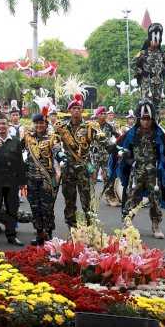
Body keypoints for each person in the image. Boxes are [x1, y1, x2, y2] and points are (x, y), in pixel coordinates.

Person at [110, 98, 165, 239]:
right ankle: (127, 223)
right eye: (143, 119)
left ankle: (156, 226)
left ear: (152, 119)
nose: (146, 122)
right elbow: (121, 149)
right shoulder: (133, 133)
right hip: (136, 172)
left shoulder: (159, 134)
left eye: (148, 119)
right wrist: (129, 159)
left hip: (154, 175)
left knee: (155, 201)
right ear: (139, 119)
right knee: (132, 198)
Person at [53, 93, 103, 230]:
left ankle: (90, 227)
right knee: (69, 200)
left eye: (78, 108)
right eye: (73, 108)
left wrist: (116, 148)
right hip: (68, 169)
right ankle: (72, 227)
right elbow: (55, 144)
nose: (76, 110)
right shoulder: (62, 127)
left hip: (84, 170)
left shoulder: (89, 127)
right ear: (69, 110)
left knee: (87, 200)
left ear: (82, 110)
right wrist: (60, 154)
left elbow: (102, 140)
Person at [22, 109, 65, 246]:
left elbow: (57, 150)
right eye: (37, 123)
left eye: (42, 123)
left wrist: (62, 158)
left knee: (47, 209)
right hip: (31, 179)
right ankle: (40, 234)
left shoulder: (52, 138)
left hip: (46, 180)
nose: (39, 125)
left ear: (46, 124)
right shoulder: (28, 138)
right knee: (35, 208)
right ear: (34, 124)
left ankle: (48, 235)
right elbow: (16, 149)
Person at [0, 112, 26, 246]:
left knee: (12, 208)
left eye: (4, 124)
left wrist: (21, 181)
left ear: (8, 126)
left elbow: (20, 161)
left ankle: (11, 235)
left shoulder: (15, 140)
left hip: (11, 179)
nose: (2, 126)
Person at [131, 23, 165, 116]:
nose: (155, 42)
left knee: (157, 105)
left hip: (158, 83)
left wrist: (164, 70)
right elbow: (132, 64)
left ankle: (156, 122)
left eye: (157, 40)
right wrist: (141, 71)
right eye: (153, 40)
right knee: (145, 104)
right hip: (147, 83)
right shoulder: (143, 53)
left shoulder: (162, 53)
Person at [91, 106, 120, 205]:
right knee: (93, 177)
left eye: (105, 114)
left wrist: (118, 145)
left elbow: (117, 135)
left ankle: (109, 197)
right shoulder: (93, 126)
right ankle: (90, 197)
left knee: (108, 177)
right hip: (95, 155)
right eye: (101, 114)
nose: (103, 116)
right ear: (97, 115)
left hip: (107, 155)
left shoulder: (109, 126)